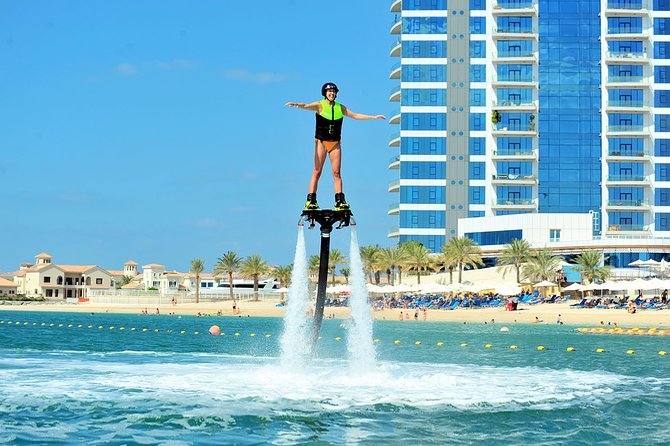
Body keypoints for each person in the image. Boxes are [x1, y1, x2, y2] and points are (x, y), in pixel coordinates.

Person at [286, 82, 386, 210]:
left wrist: (373, 117)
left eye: (333, 91)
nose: (331, 93)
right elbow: (306, 106)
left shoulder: (340, 107)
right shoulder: (319, 105)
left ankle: (339, 201)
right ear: (325, 93)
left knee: (337, 173)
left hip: (335, 144)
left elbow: (355, 115)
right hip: (321, 143)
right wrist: (295, 104)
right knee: (317, 172)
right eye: (329, 91)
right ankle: (311, 200)